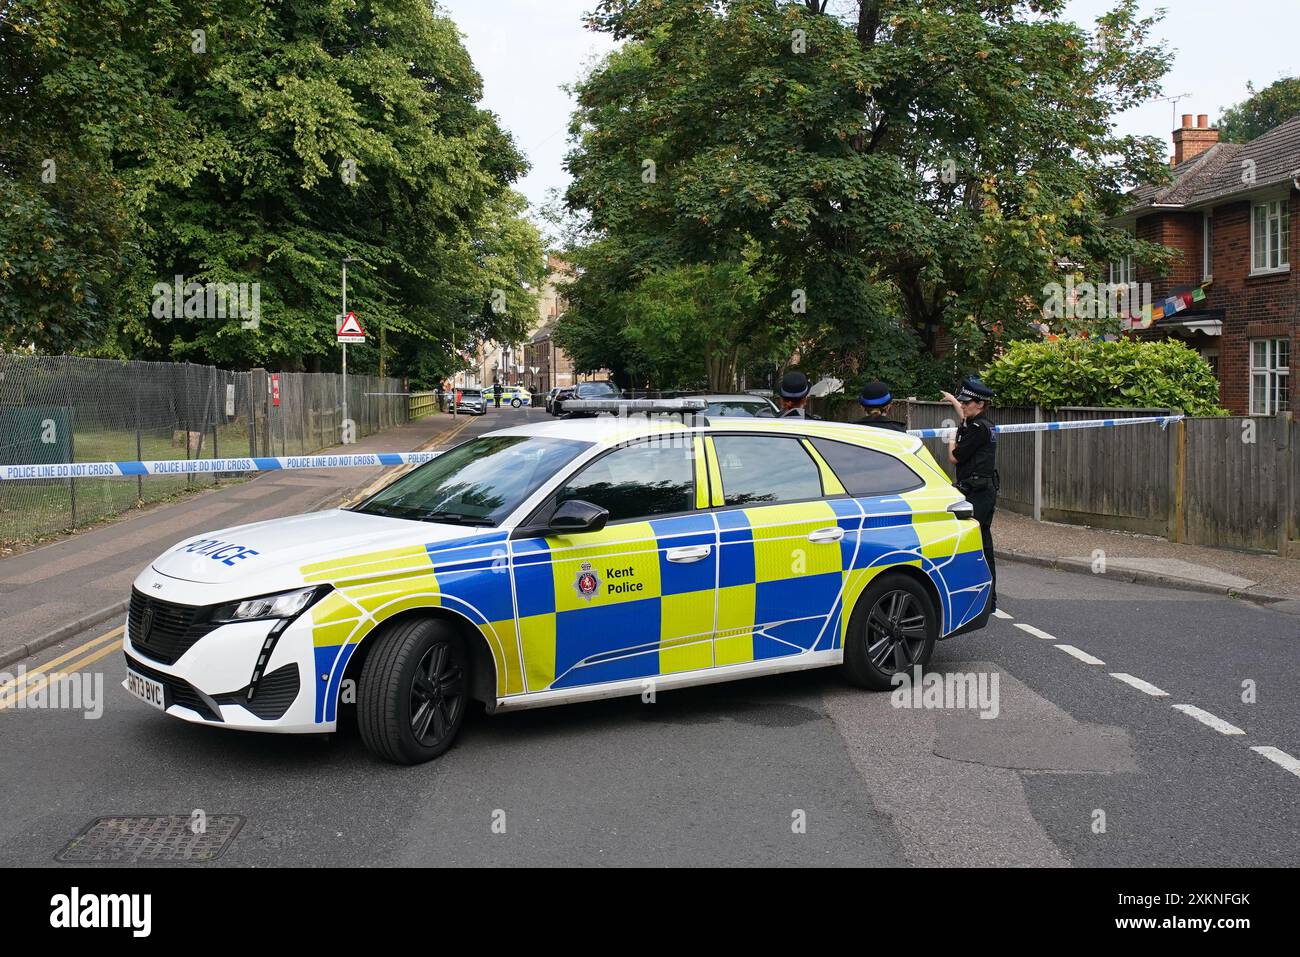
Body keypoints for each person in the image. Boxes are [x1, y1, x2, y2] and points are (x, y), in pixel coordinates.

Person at [941, 377, 998, 611]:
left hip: (977, 493)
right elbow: (965, 417)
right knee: (980, 544)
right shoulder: (984, 424)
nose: (963, 406)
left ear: (981, 404)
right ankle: (985, 598)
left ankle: (986, 599)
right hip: (979, 490)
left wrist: (950, 436)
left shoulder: (977, 429)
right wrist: (954, 401)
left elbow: (954, 456)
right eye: (962, 402)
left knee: (979, 546)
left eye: (967, 402)